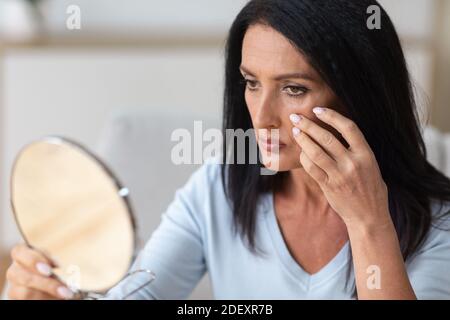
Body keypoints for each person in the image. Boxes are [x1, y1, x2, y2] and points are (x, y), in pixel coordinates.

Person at [6, 0, 450, 300]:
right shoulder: (220, 185)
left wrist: (367, 221)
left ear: (360, 97)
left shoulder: (438, 220)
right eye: (251, 83)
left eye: (294, 89)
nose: (262, 116)